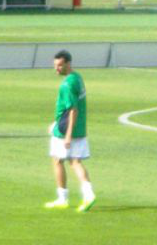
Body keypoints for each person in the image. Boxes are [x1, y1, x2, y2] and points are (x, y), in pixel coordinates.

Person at [45, 50, 96, 212]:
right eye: (55, 66)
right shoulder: (77, 78)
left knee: (57, 160)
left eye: (60, 65)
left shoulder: (66, 85)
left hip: (66, 131)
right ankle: (88, 194)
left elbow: (73, 110)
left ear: (68, 63)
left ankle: (63, 199)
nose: (56, 69)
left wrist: (67, 136)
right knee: (75, 162)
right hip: (79, 128)